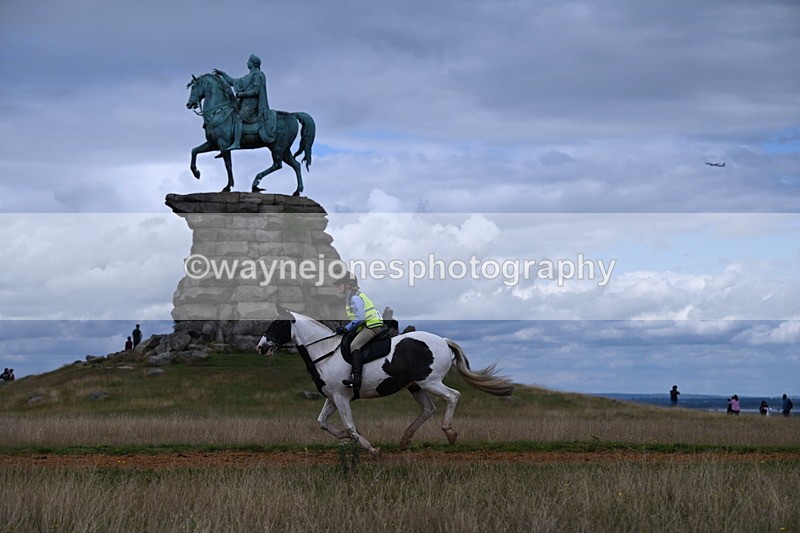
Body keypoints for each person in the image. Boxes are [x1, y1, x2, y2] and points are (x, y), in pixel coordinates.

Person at [333, 275, 387, 393]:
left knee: (354, 346)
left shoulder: (354, 298)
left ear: (347, 285)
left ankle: (356, 379)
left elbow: (360, 319)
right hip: (366, 326)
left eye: (339, 285)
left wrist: (346, 329)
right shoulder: (351, 297)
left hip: (372, 326)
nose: (337, 287)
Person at [213, 54, 276, 153]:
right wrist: (223, 74)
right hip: (244, 104)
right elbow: (233, 82)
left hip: (252, 105)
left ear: (253, 63)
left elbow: (256, 91)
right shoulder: (248, 76)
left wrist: (242, 94)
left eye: (249, 61)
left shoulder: (258, 75)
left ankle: (237, 142)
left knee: (238, 118)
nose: (247, 63)